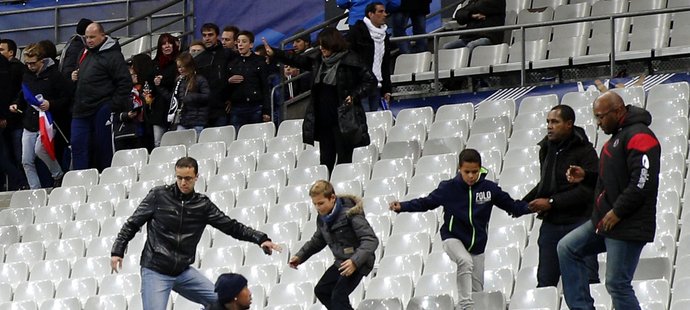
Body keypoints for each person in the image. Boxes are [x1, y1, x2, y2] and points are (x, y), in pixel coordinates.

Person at [111, 156, 282, 310]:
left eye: (188, 178)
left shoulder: (203, 205)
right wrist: (118, 250)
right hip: (156, 269)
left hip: (183, 270)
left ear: (196, 177)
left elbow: (231, 226)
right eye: (179, 178)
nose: (183, 182)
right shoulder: (158, 195)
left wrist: (260, 238)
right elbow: (132, 223)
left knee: (223, 301)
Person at [389, 148, 533, 310]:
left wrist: (532, 207)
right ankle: (464, 306)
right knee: (465, 261)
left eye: (475, 172)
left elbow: (512, 206)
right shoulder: (448, 188)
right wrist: (402, 206)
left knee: (477, 291)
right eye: (467, 172)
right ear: (459, 169)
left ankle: (467, 306)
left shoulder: (489, 189)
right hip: (452, 237)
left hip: (477, 245)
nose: (471, 176)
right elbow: (425, 203)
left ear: (480, 169)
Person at [558, 91, 661, 310]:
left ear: (617, 111)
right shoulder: (618, 137)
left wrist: (618, 212)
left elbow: (643, 182)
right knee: (567, 248)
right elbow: (614, 179)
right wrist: (587, 176)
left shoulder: (640, 136)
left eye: (601, 117)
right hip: (606, 221)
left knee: (617, 284)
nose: (598, 123)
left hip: (627, 223)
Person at [262, 28, 375, 172]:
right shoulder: (318, 61)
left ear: (333, 44)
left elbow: (370, 81)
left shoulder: (351, 60)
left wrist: (354, 95)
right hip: (323, 122)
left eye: (324, 45)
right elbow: (297, 59)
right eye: (320, 45)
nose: (321, 49)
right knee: (324, 163)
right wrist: (275, 52)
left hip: (343, 121)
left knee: (344, 164)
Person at [522, 105, 599, 288]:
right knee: (545, 282)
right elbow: (546, 183)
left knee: (589, 280)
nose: (549, 126)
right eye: (548, 122)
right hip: (552, 224)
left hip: (580, 221)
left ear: (569, 124)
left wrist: (551, 203)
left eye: (555, 122)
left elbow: (588, 190)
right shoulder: (546, 149)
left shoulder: (586, 151)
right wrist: (521, 205)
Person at [289, 180, 378, 309]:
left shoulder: (351, 213)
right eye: (315, 204)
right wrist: (300, 256)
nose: (318, 208)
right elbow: (317, 241)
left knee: (338, 296)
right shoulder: (322, 218)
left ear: (332, 198)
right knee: (322, 291)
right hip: (342, 261)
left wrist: (354, 261)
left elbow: (370, 239)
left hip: (360, 261)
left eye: (321, 203)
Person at [70, 22, 132, 171]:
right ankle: (80, 182)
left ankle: (107, 179)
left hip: (102, 108)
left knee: (104, 148)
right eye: (86, 37)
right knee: (77, 145)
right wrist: (73, 77)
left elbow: (125, 82)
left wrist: (113, 106)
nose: (89, 40)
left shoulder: (113, 55)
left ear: (103, 36)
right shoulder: (84, 53)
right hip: (81, 109)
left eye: (92, 37)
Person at [10, 43, 70, 189]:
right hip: (29, 122)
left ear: (42, 61)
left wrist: (51, 104)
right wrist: (16, 104)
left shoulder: (55, 75)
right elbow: (22, 94)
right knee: (26, 160)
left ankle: (57, 174)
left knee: (40, 149)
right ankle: (34, 189)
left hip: (49, 120)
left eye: (33, 63)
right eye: (28, 63)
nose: (30, 66)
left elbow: (67, 97)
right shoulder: (26, 76)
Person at [347, 2, 392, 112]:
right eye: (380, 11)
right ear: (370, 14)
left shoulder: (384, 36)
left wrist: (387, 89)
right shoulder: (357, 32)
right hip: (361, 86)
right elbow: (350, 59)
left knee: (374, 122)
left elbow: (385, 63)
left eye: (385, 11)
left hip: (377, 85)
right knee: (365, 121)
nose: (385, 14)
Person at [227, 30, 271, 131]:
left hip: (255, 107)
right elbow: (225, 87)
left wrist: (266, 111)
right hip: (237, 107)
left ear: (251, 45)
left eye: (244, 41)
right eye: (238, 42)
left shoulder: (260, 61)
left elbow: (265, 87)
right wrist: (228, 81)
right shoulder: (232, 63)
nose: (240, 44)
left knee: (256, 136)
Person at [158, 52, 210, 136]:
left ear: (190, 66)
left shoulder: (200, 79)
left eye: (183, 66)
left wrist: (191, 97)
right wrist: (160, 87)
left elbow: (207, 96)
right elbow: (173, 99)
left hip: (197, 121)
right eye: (179, 67)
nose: (181, 69)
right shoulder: (179, 81)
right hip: (183, 121)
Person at [114, 54, 153, 151]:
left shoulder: (137, 92)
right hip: (126, 133)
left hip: (141, 131)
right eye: (133, 74)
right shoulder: (119, 93)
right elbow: (113, 114)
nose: (136, 76)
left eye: (135, 73)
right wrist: (126, 115)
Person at [195, 23, 231, 128]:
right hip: (204, 109)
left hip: (222, 108)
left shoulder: (227, 54)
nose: (207, 38)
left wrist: (231, 98)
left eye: (210, 35)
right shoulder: (198, 59)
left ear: (217, 36)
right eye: (204, 35)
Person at [150, 33, 181, 148]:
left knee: (174, 142)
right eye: (164, 44)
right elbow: (150, 85)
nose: (167, 46)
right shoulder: (154, 64)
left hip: (175, 107)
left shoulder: (179, 62)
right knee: (158, 143)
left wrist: (163, 81)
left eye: (169, 43)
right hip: (158, 109)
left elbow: (179, 80)